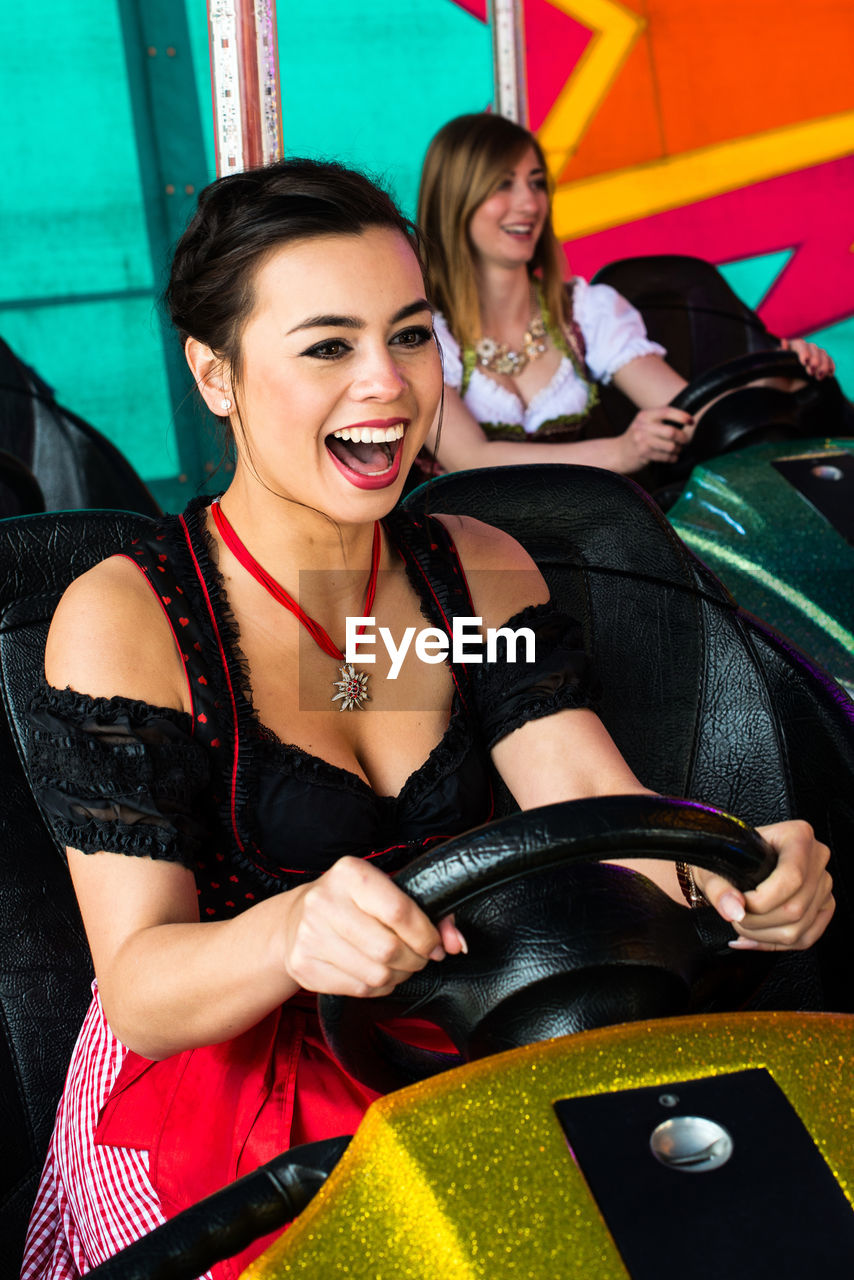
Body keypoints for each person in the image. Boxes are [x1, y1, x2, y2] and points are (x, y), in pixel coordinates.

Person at [21, 158, 833, 1280]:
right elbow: (145, 991)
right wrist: (293, 929)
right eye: (326, 347)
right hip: (223, 1094)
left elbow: (596, 809)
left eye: (408, 336)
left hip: (453, 1029)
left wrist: (737, 873)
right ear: (216, 373)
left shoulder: (472, 581)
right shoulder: (130, 616)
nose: (388, 387)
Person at [416, 112, 834, 476]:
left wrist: (775, 378)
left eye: (537, 183)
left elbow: (687, 413)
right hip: (479, 551)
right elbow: (469, 458)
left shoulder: (586, 312)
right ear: (455, 198)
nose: (529, 203)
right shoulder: (422, 335)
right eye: (503, 184)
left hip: (589, 542)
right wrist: (620, 452)